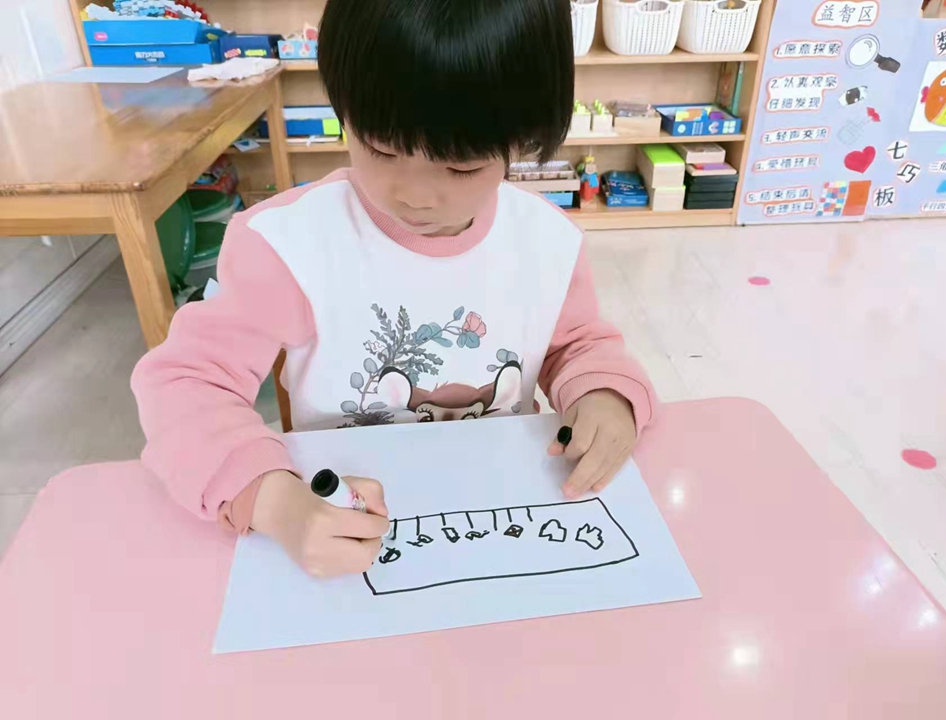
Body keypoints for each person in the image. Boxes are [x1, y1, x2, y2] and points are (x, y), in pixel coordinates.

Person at [132, 0, 657, 579]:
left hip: (503, 525)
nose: (416, 195)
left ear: (523, 138)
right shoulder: (287, 244)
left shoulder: (546, 240)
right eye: (382, 149)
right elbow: (184, 385)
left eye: (462, 167)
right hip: (343, 530)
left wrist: (605, 394)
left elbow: (578, 345)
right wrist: (273, 500)